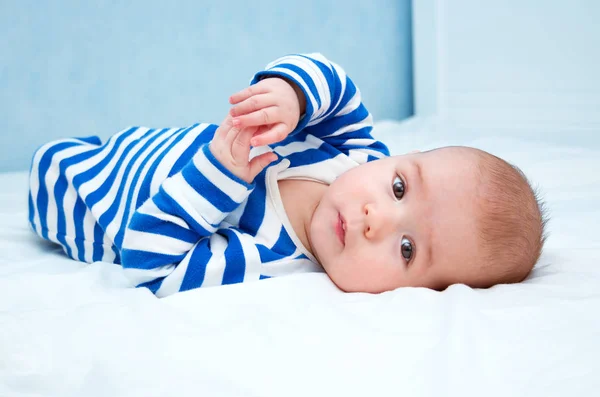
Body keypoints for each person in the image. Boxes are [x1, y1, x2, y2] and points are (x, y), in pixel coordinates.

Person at [28, 53, 547, 297]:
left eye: (408, 249)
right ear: (396, 161)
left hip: (89, 199)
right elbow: (336, 84)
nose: (377, 219)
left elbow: (148, 265)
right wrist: (293, 96)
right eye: (400, 187)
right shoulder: (354, 153)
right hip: (143, 144)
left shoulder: (265, 261)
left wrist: (219, 176)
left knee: (49, 165)